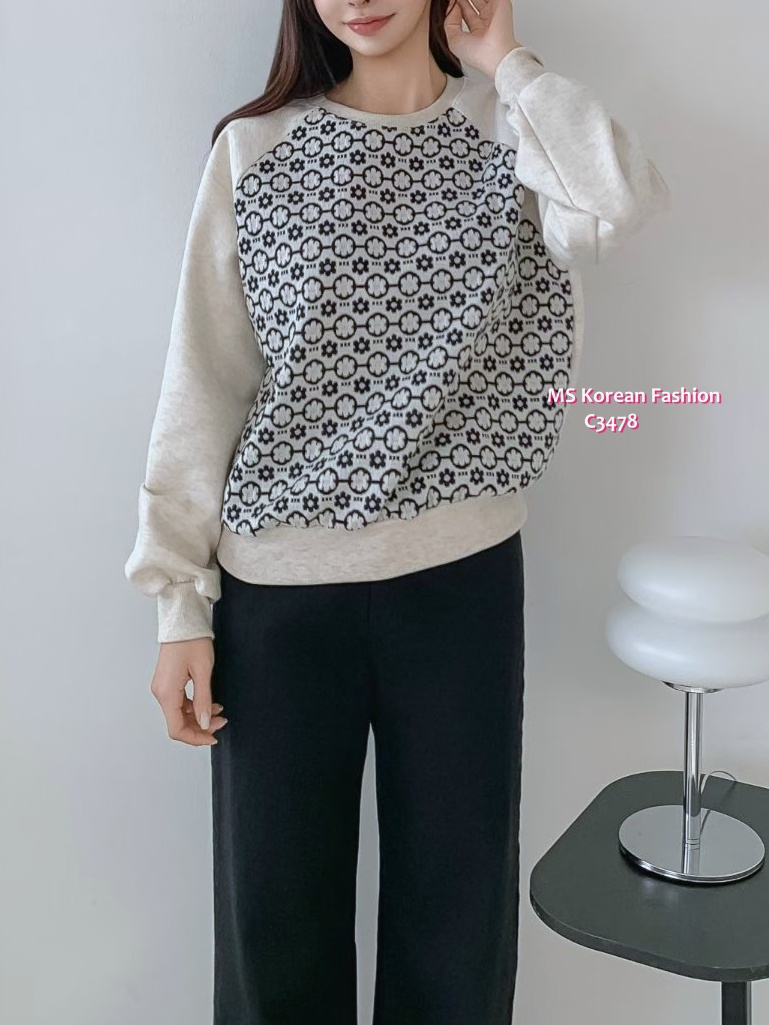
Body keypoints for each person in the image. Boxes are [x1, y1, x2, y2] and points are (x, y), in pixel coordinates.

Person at [124, 0, 672, 1021]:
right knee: (274, 933)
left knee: (458, 928)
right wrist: (178, 604)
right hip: (277, 597)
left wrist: (507, 61)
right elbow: (205, 381)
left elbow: (618, 203)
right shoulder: (255, 151)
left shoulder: (512, 131)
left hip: (460, 586)